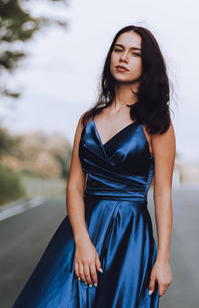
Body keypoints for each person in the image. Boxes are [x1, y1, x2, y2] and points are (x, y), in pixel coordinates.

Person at [12, 25, 176, 308]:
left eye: (134, 53)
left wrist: (162, 259)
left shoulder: (156, 124)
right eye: (118, 49)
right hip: (82, 230)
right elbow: (75, 186)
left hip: (131, 238)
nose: (123, 58)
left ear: (147, 65)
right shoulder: (87, 120)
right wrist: (81, 241)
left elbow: (162, 193)